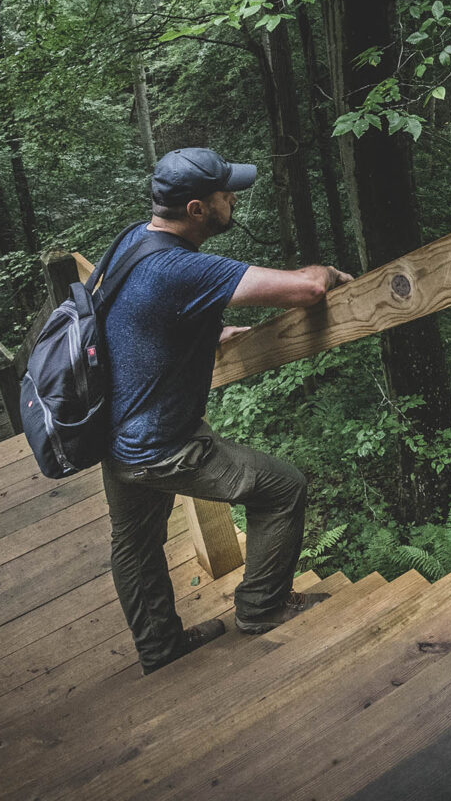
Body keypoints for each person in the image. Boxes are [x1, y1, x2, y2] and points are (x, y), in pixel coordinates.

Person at [97, 146, 351, 674]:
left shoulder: (132, 242)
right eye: (223, 193)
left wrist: (205, 330)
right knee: (283, 488)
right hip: (162, 446)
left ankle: (161, 649)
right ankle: (262, 609)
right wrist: (325, 270)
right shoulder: (179, 267)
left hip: (112, 433)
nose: (232, 198)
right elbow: (304, 289)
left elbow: (133, 316)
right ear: (196, 210)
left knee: (135, 544)